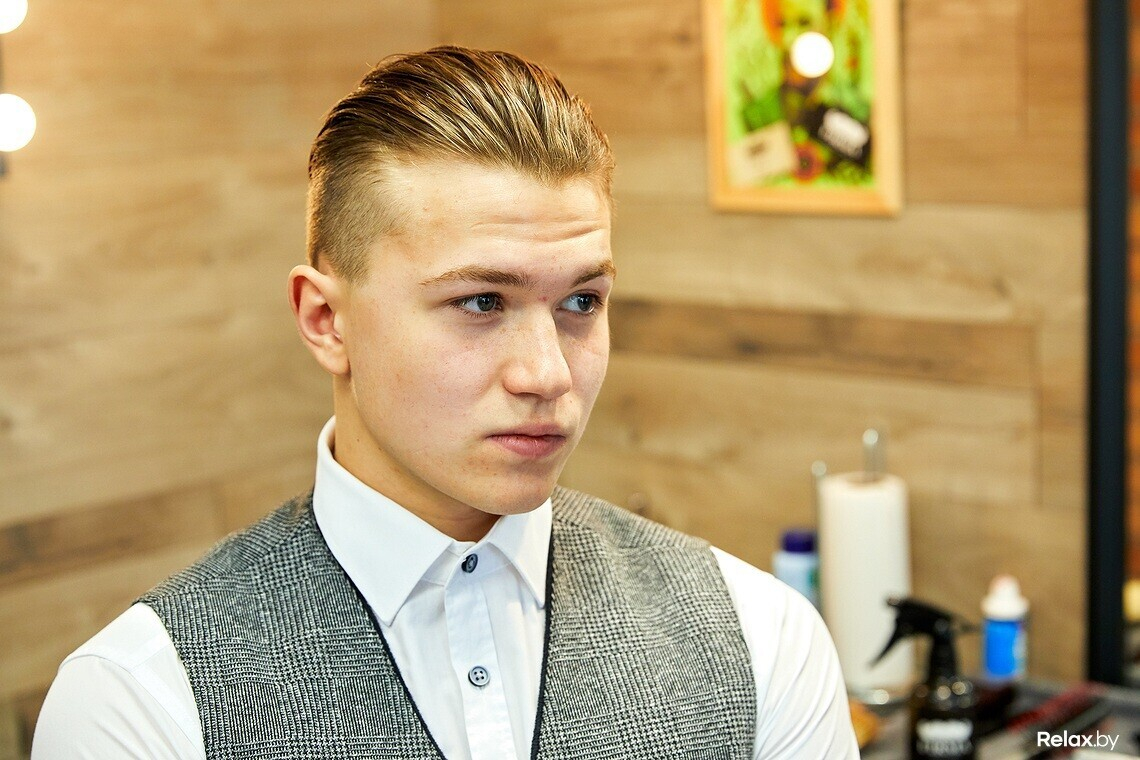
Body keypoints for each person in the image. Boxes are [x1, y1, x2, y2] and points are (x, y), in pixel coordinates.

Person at [32, 46, 858, 759]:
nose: (547, 374)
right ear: (326, 321)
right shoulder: (141, 704)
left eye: (581, 302)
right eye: (481, 302)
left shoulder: (762, 641)